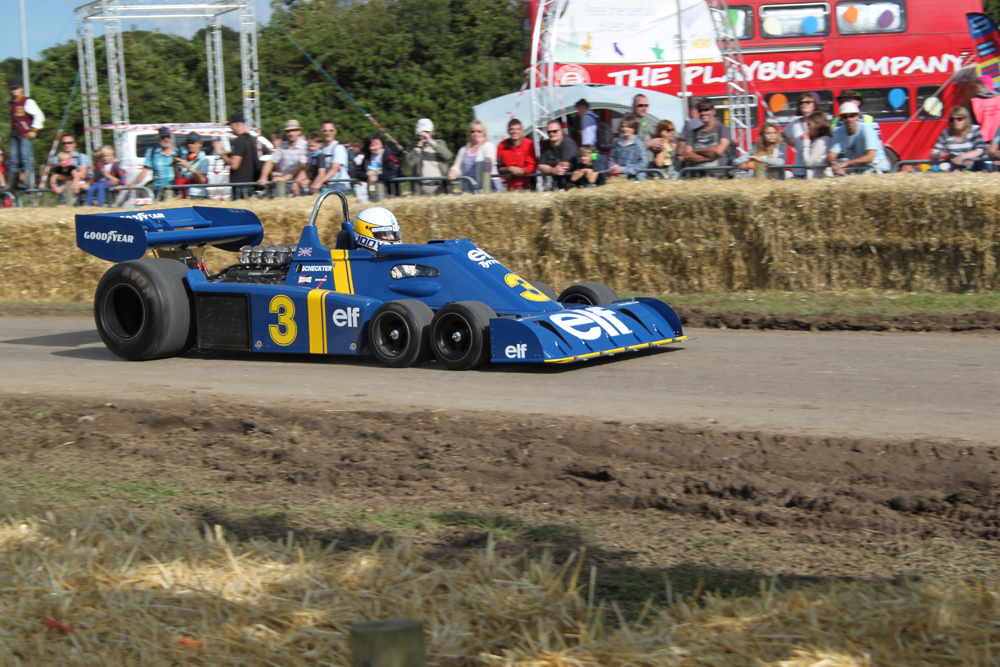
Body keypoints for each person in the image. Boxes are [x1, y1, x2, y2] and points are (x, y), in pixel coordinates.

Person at [828, 102, 890, 175]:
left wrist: (845, 163)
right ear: (842, 119)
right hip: (859, 168)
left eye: (852, 116)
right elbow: (831, 155)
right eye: (845, 117)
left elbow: (870, 158)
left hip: (877, 166)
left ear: (857, 116)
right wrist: (835, 165)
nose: (849, 119)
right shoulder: (839, 131)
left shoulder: (866, 129)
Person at [6, 78, 44, 191]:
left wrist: (34, 129)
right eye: (12, 88)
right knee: (13, 159)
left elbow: (39, 115)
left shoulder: (27, 101)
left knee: (25, 158)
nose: (14, 90)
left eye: (16, 88)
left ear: (21, 88)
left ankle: (28, 183)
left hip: (25, 133)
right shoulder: (11, 103)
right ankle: (11, 184)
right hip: (15, 133)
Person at [680, 99, 732, 177]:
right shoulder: (693, 132)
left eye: (706, 110)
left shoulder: (722, 128)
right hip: (698, 178)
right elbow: (687, 155)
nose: (703, 113)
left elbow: (718, 150)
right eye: (700, 110)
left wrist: (696, 150)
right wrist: (709, 158)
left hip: (719, 177)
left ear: (714, 111)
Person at [214, 112, 259, 200]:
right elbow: (244, 158)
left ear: (237, 124)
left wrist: (220, 153)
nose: (231, 128)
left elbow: (234, 165)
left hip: (240, 184)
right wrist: (226, 152)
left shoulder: (240, 140)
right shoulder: (251, 139)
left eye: (231, 125)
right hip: (249, 182)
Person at [447, 120, 500, 192]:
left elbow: (489, 163)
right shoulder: (463, 150)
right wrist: (452, 172)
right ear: (469, 134)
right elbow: (456, 167)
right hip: (467, 188)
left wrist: (483, 180)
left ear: (484, 133)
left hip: (487, 187)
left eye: (479, 131)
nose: (475, 134)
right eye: (473, 131)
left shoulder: (488, 145)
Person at [258, 119, 308, 195]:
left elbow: (302, 167)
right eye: (288, 131)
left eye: (293, 130)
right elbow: (270, 161)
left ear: (299, 132)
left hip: (299, 186)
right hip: (284, 186)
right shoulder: (282, 145)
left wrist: (285, 178)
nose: (291, 133)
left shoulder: (305, 146)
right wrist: (263, 177)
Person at [404, 118, 453, 195]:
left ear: (433, 132)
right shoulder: (412, 146)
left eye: (427, 132)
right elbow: (410, 163)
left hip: (440, 187)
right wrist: (418, 147)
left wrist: (431, 142)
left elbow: (448, 156)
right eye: (421, 132)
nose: (424, 135)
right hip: (422, 188)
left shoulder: (440, 143)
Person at [930, 106, 986, 171]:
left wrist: (961, 157)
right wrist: (937, 155)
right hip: (956, 171)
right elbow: (934, 152)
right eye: (952, 119)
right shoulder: (945, 133)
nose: (955, 121)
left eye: (959, 119)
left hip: (976, 169)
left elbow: (980, 150)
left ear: (966, 119)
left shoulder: (974, 129)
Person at [126, 127, 175, 201]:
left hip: (174, 188)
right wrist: (134, 183)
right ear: (158, 139)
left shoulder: (179, 152)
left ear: (171, 138)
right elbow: (144, 171)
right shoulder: (152, 152)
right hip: (158, 189)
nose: (166, 139)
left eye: (168, 137)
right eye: (163, 137)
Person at [783, 94, 819, 178]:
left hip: (816, 166)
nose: (804, 104)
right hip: (800, 167)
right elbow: (783, 135)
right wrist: (793, 144)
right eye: (801, 103)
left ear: (814, 105)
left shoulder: (819, 122)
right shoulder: (794, 124)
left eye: (807, 102)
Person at [496, 118, 536, 191]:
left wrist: (513, 173)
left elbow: (531, 167)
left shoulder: (529, 144)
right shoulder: (502, 145)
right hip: (509, 188)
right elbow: (499, 168)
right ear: (508, 131)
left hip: (527, 187)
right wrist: (510, 168)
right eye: (512, 129)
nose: (514, 131)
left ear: (522, 131)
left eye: (517, 129)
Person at [50, 135, 92, 204]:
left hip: (77, 189)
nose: (67, 145)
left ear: (75, 144)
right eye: (64, 143)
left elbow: (83, 175)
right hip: (63, 192)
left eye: (70, 143)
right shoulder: (57, 158)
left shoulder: (81, 157)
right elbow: (57, 176)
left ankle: (75, 197)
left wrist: (64, 185)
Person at [311, 120, 350, 193]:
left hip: (340, 186)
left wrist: (319, 182)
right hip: (328, 186)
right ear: (321, 132)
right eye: (325, 130)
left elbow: (334, 169)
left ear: (335, 132)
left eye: (331, 130)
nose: (328, 133)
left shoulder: (338, 148)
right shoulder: (321, 149)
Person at [537, 120, 578, 190]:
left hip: (576, 186)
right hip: (559, 186)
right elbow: (541, 166)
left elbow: (565, 168)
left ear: (561, 131)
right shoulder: (545, 144)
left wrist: (549, 168)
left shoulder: (568, 143)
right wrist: (553, 170)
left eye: (555, 131)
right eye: (549, 132)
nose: (551, 134)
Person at [609, 114, 648, 180]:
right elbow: (612, 157)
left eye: (628, 127)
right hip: (620, 179)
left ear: (634, 128)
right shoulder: (618, 142)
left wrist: (623, 169)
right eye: (623, 126)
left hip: (636, 179)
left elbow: (643, 163)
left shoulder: (638, 144)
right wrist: (612, 167)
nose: (624, 129)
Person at [174, 132, 209, 199]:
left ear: (200, 144)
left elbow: (202, 181)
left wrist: (189, 167)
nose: (189, 145)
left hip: (197, 194)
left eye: (192, 142)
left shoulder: (204, 159)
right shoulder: (185, 158)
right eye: (188, 143)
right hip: (184, 194)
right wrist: (175, 167)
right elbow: (180, 178)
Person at [800, 112, 833, 178]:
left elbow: (809, 163)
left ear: (817, 125)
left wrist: (806, 141)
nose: (808, 127)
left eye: (809, 124)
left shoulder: (821, 142)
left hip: (820, 179)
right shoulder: (822, 140)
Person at [632, 93, 659, 164]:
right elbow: (627, 145)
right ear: (633, 106)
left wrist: (657, 147)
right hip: (636, 166)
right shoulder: (628, 122)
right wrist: (648, 143)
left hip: (648, 164)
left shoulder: (646, 122)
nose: (644, 108)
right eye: (640, 105)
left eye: (646, 106)